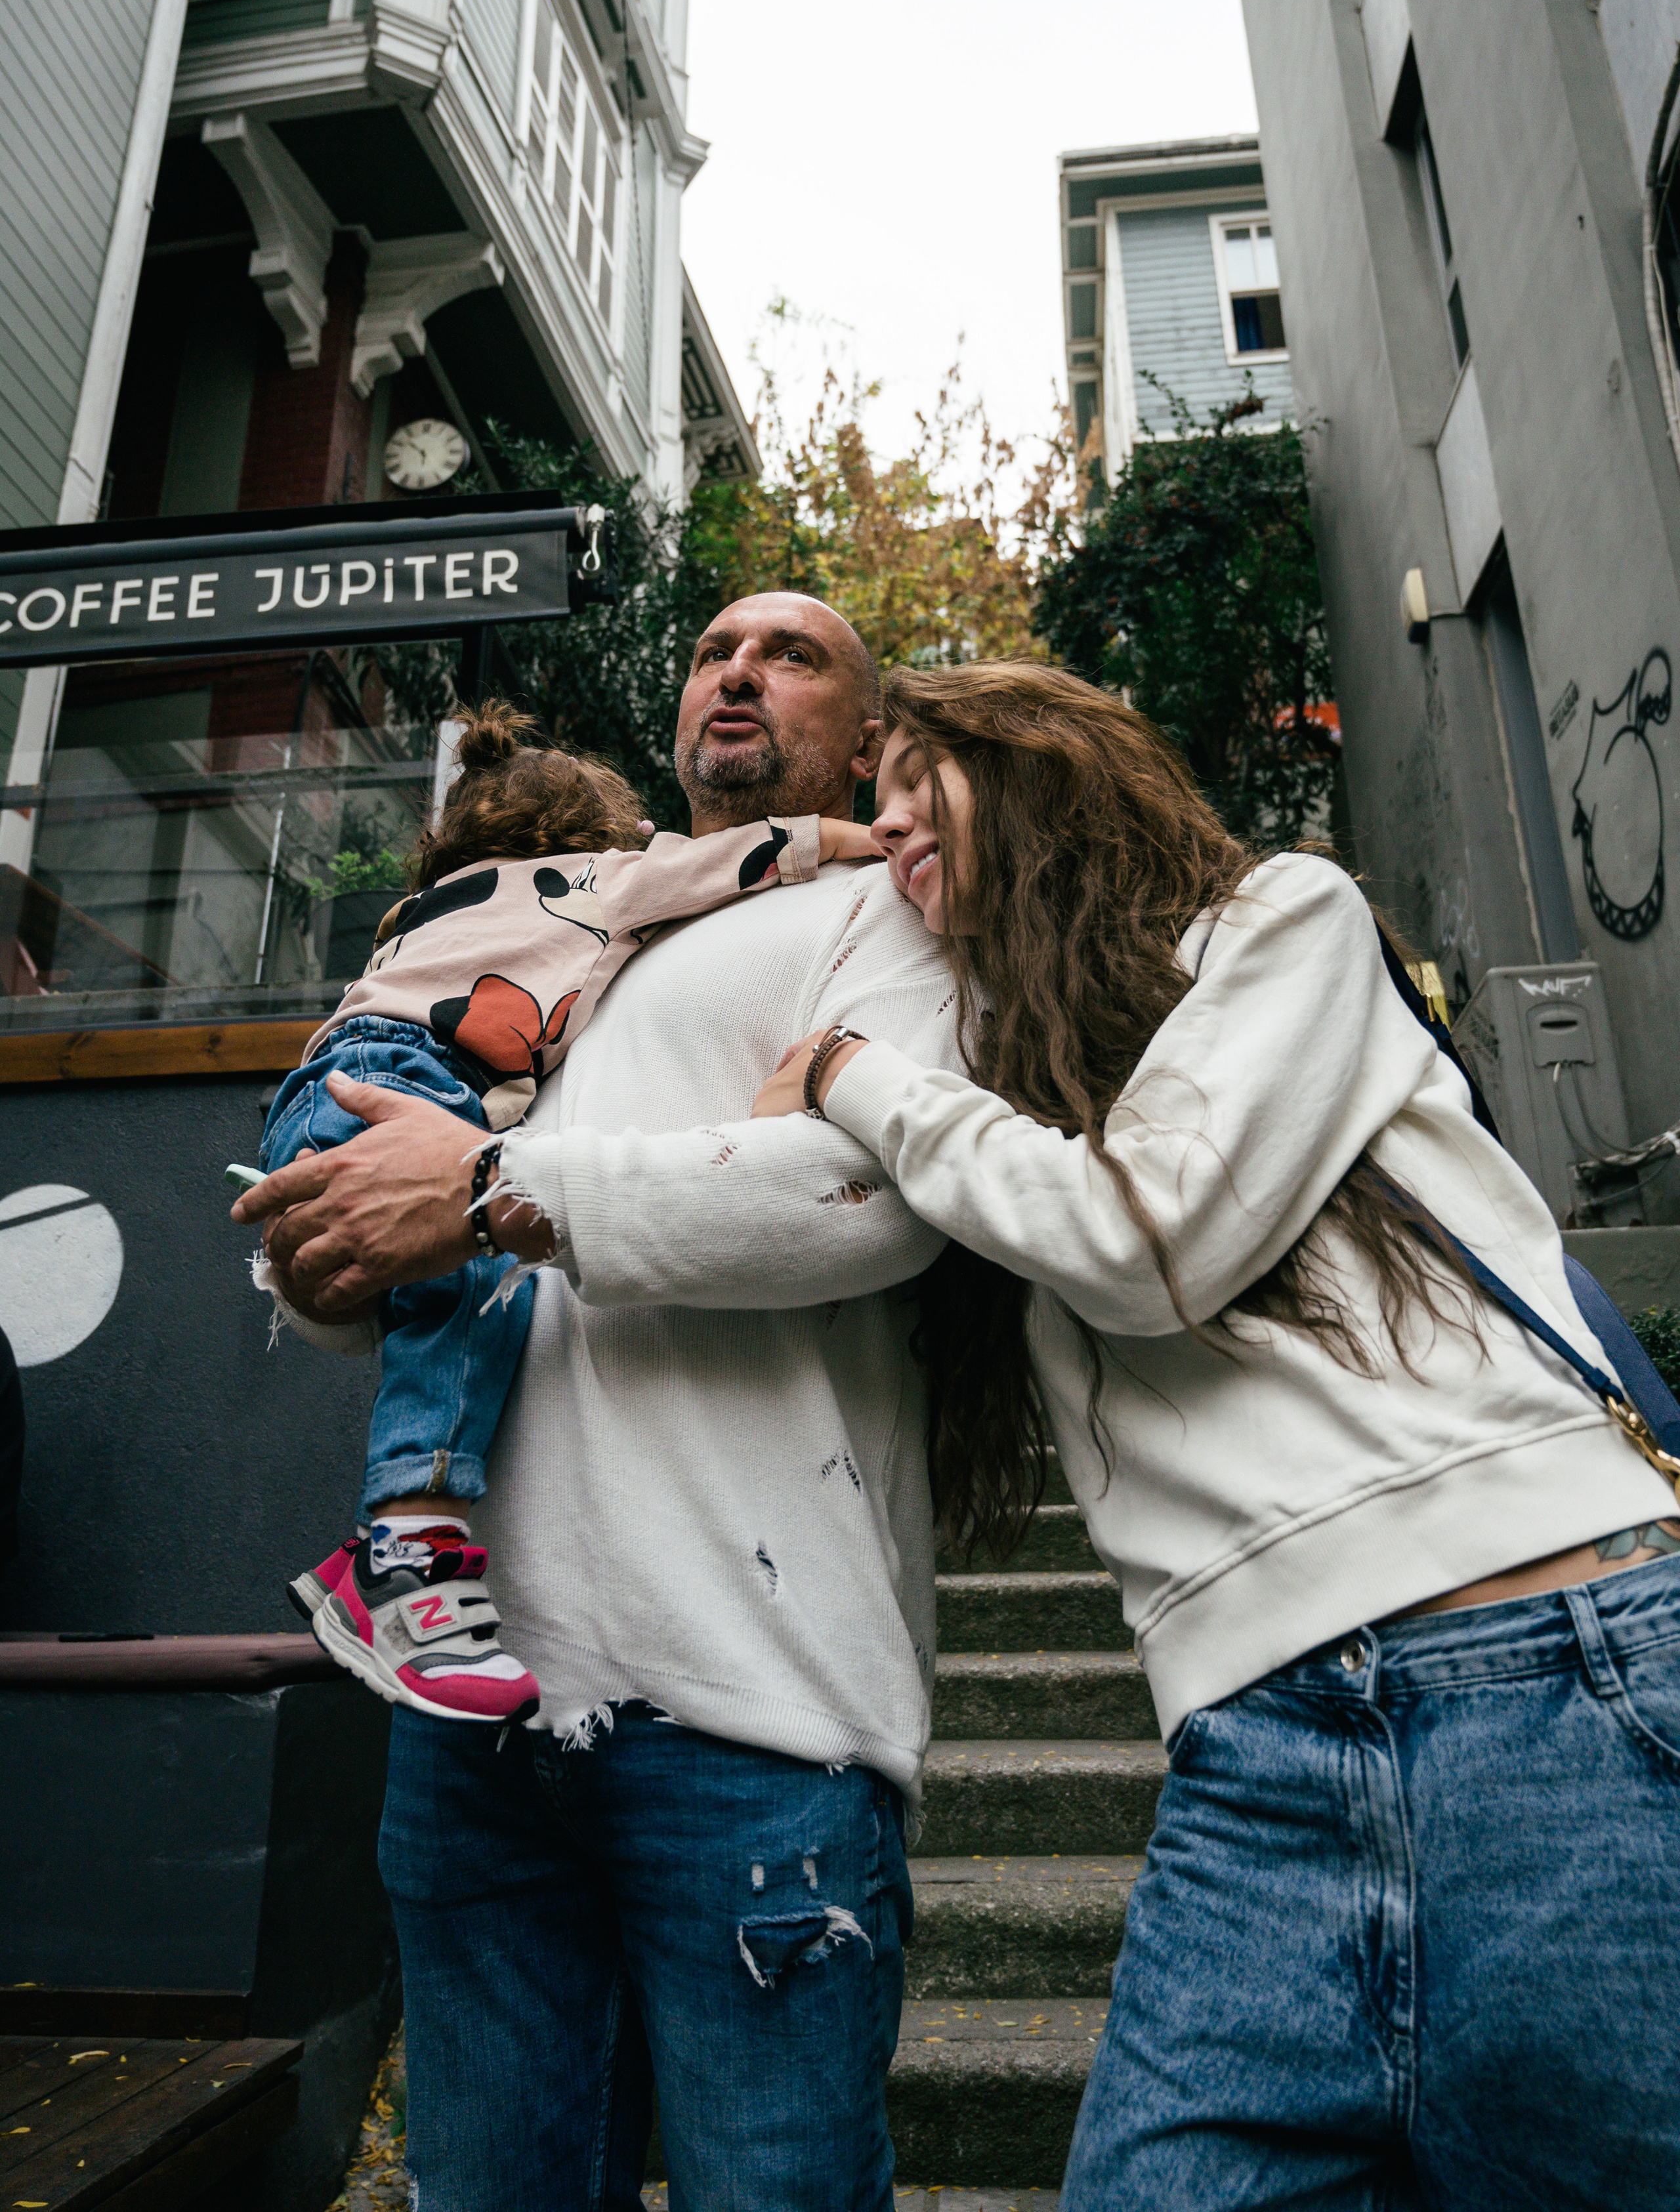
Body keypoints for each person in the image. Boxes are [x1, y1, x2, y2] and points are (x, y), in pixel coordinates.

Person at [755, 659, 1680, 2211]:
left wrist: (852, 1072)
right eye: (872, 798)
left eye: (923, 772)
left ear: (1042, 759)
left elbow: (1145, 1233)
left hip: (1549, 1679)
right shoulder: (1000, 1087)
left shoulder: (1277, 924)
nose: (890, 814)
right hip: (1251, 1762)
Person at [232, 595, 963, 2212]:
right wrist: (324, 1258)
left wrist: (488, 1186)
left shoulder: (880, 911)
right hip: (473, 1711)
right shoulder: (573, 931)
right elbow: (398, 1247)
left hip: (751, 1701)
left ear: (868, 737)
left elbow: (860, 1202)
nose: (739, 672)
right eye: (714, 650)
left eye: (793, 655)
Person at [257, 695, 877, 1730]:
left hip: (322, 1083)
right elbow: (746, 856)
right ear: (600, 840)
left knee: (424, 1302)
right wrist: (865, 840)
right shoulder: (599, 881)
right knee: (476, 1274)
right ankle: (406, 1550)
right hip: (417, 1081)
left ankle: (394, 1546)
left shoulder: (421, 909)